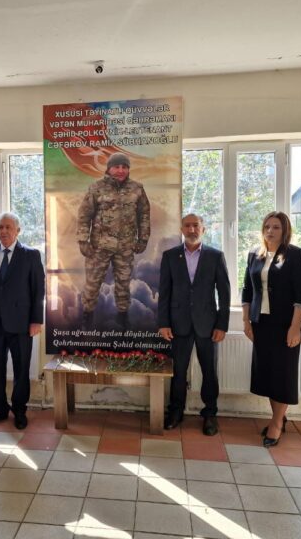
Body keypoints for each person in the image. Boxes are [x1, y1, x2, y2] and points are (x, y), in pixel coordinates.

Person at [158, 213, 231, 435]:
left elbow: (225, 294)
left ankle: (210, 414)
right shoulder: (170, 256)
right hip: (178, 325)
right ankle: (176, 411)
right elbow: (164, 293)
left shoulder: (215, 256)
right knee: (178, 371)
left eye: (195, 225)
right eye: (187, 226)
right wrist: (163, 323)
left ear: (203, 229)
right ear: (181, 229)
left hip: (208, 325)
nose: (191, 230)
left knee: (209, 371)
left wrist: (222, 325)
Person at [242, 211, 301, 447]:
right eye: (267, 226)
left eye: (276, 227)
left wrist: (295, 327)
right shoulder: (254, 254)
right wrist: (246, 321)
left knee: (283, 374)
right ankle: (278, 417)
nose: (270, 231)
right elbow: (247, 289)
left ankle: (277, 423)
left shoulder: (295, 255)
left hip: (285, 325)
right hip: (261, 323)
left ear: (285, 230)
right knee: (268, 374)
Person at [0, 212, 45, 430]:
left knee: (21, 370)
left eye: (8, 227)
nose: (3, 231)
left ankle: (19, 410)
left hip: (21, 324)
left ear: (18, 231)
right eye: (0, 227)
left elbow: (38, 290)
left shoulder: (31, 255)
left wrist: (36, 320)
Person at [77, 152, 150, 329]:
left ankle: (123, 316)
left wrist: (143, 239)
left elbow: (144, 215)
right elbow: (84, 215)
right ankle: (87, 315)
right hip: (99, 247)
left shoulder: (137, 189)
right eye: (117, 167)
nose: (121, 170)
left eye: (124, 167)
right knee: (92, 283)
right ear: (109, 169)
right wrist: (83, 240)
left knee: (123, 283)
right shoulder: (96, 188)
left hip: (125, 246)